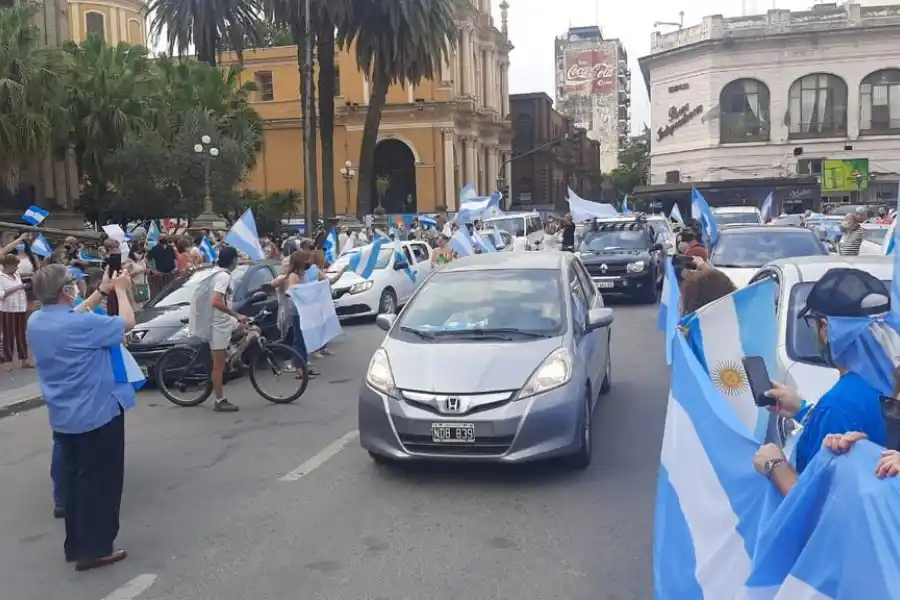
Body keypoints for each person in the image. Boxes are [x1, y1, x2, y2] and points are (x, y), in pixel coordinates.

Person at [28, 264, 136, 571]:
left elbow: (76, 313)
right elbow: (127, 321)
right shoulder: (81, 327)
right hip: (97, 414)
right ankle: (96, 548)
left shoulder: (37, 321)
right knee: (101, 484)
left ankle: (76, 544)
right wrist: (120, 290)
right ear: (65, 291)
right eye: (73, 284)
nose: (76, 289)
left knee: (77, 483)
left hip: (64, 416)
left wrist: (100, 291)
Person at [751, 268, 888, 496]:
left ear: (825, 329)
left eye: (813, 324)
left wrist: (775, 465)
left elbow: (814, 506)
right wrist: (803, 410)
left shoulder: (837, 406)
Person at [187, 246, 247, 412]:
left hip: (224, 321)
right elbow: (216, 301)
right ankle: (219, 400)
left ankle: (235, 359)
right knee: (218, 365)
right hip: (218, 324)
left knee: (252, 330)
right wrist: (236, 314)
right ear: (233, 260)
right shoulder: (223, 277)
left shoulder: (217, 272)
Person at [0, 253, 31, 369]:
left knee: (21, 335)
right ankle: (8, 361)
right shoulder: (1, 278)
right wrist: (18, 287)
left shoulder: (16, 274)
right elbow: (2, 295)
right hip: (8, 309)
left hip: (20, 307)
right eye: (14, 266)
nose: (16, 268)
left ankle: (24, 359)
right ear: (7, 265)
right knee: (9, 335)